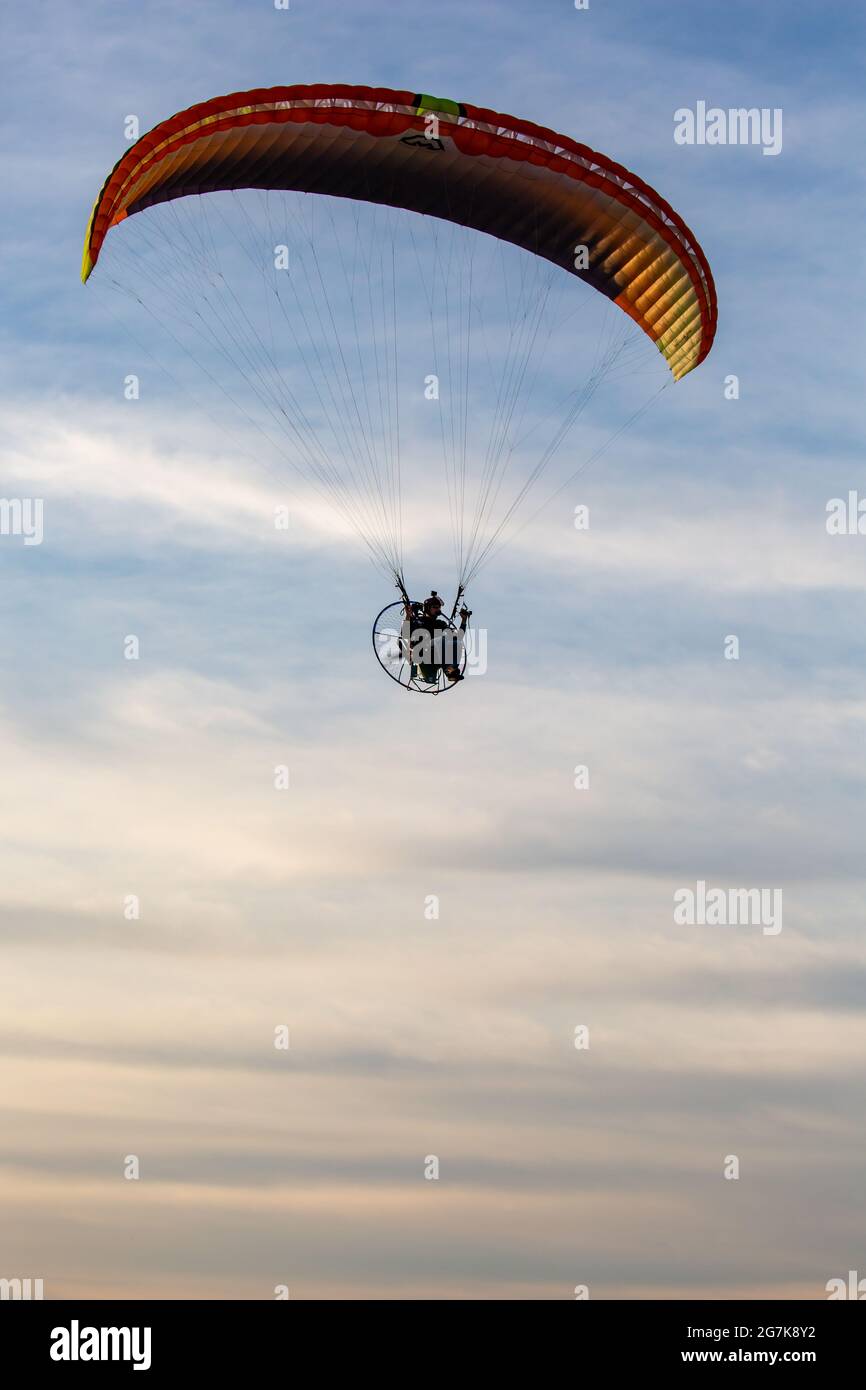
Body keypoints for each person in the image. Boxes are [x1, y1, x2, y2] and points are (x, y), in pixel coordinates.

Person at [400, 590, 469, 686]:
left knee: (456, 642)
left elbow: (458, 637)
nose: (438, 610)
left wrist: (464, 621)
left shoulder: (440, 624)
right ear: (428, 608)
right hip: (421, 653)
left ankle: (451, 670)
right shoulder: (417, 621)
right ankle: (449, 669)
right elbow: (405, 634)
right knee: (442, 639)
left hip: (436, 656)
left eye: (439, 608)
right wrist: (408, 616)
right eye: (435, 607)